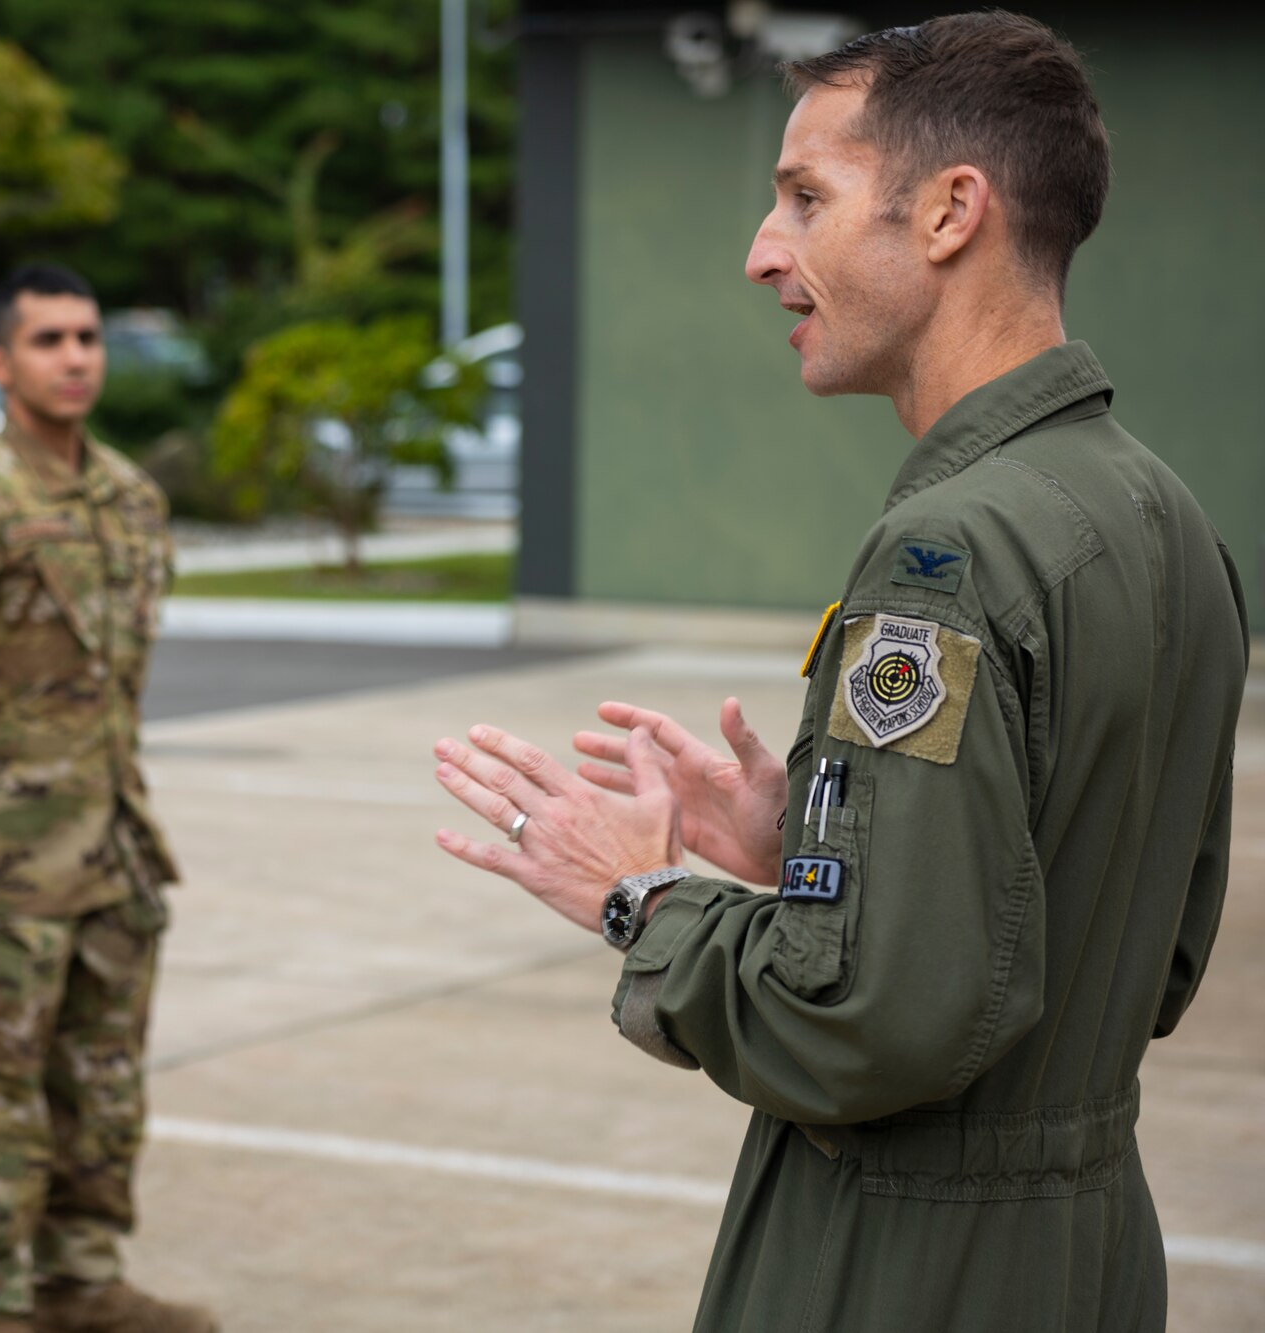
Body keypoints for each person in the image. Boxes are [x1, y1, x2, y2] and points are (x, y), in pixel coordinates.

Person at [429, 13, 1248, 1332]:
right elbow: (1137, 955)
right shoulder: (1168, 519)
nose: (763, 253)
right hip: (1092, 1251)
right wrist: (807, 853)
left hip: (904, 1267)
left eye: (805, 197)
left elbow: (866, 1027)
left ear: (947, 215)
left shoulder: (952, 547)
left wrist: (637, 898)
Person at [0, 263, 216, 1333]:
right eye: (50, 339)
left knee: (99, 1093)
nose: (75, 358)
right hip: (4, 866)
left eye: (87, 337)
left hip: (113, 848)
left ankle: (76, 1279)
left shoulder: (126, 497)